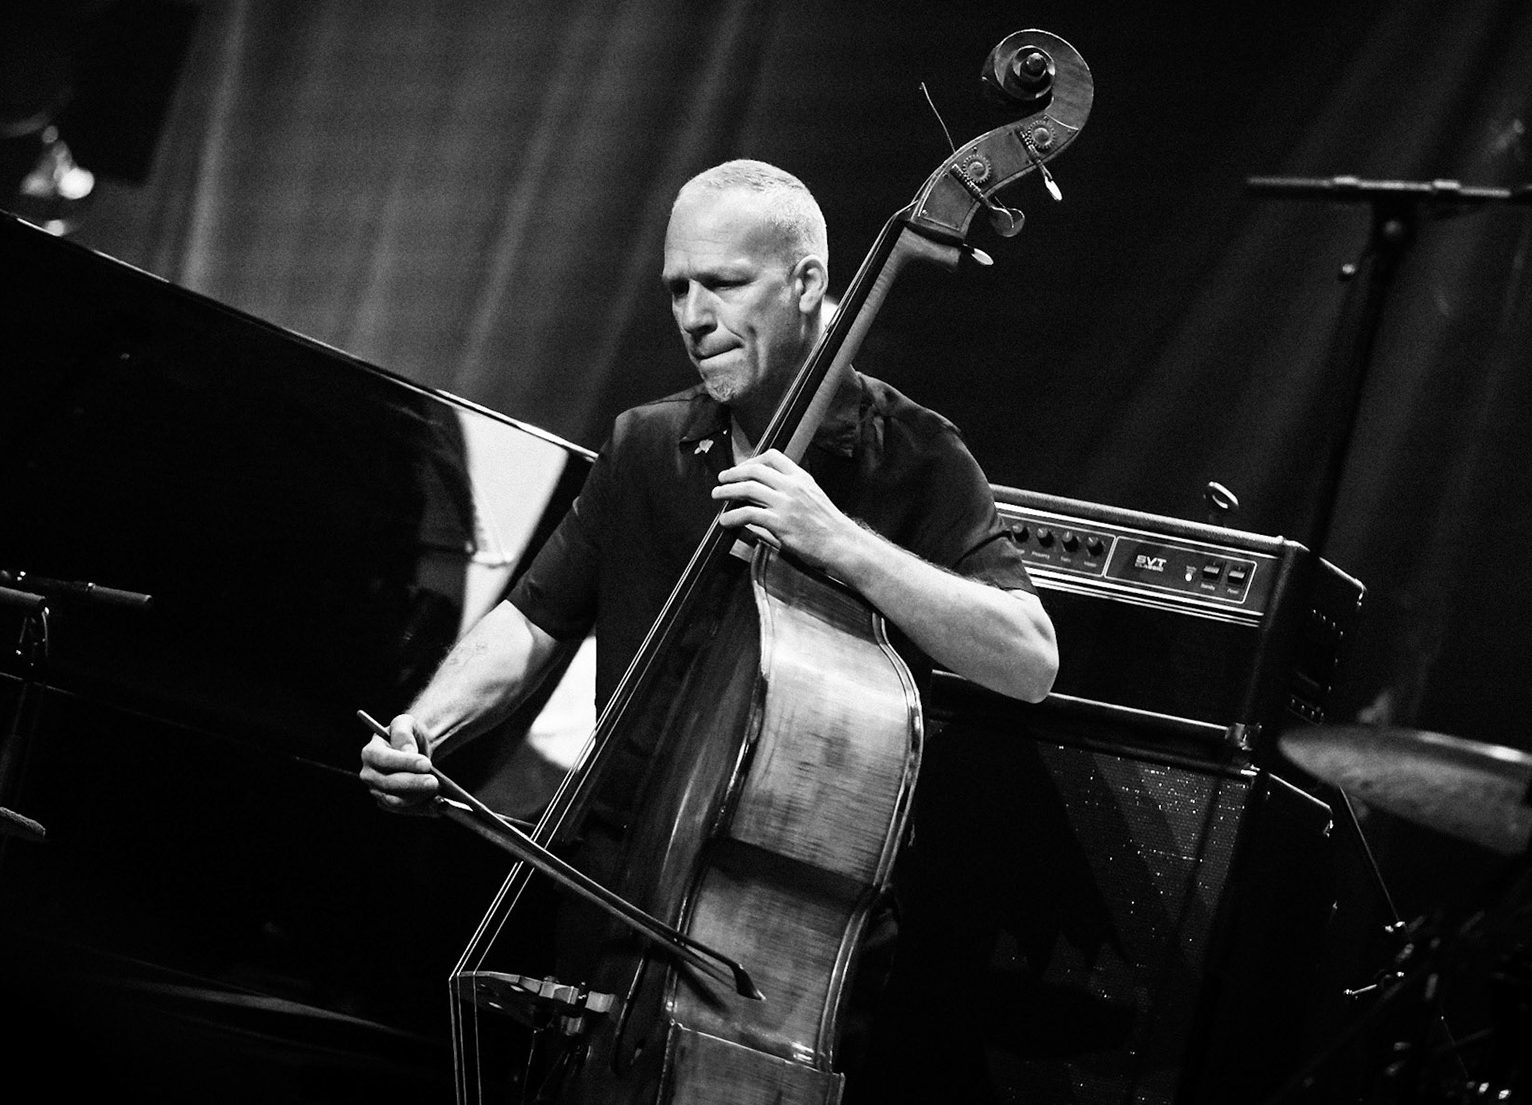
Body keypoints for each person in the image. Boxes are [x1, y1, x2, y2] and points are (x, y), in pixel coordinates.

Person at [359, 157, 1056, 1082]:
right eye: (678, 289)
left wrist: (837, 539)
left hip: (779, 947)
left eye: (723, 284)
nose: (693, 317)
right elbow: (532, 622)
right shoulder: (646, 444)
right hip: (609, 894)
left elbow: (1029, 659)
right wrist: (424, 730)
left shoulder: (914, 457)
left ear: (809, 283)